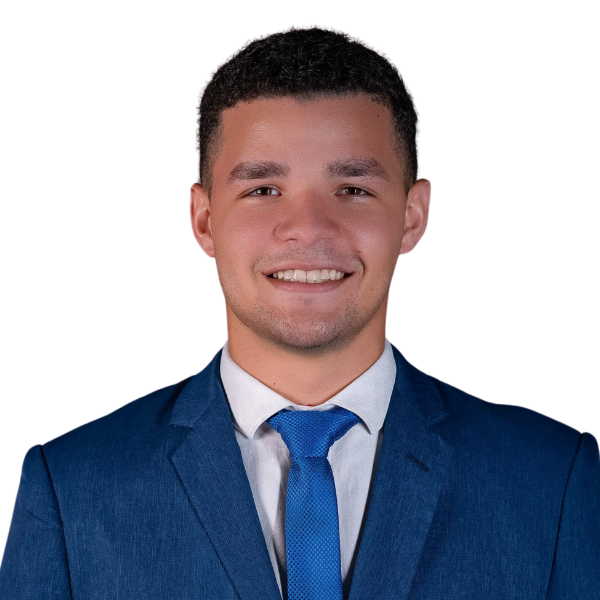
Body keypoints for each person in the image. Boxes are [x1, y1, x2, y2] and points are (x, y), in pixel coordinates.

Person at [1, 24, 598, 600]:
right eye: (262, 189)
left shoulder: (554, 478)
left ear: (413, 216)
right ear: (203, 220)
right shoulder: (71, 489)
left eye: (353, 189)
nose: (308, 227)